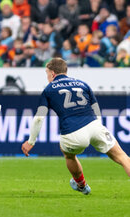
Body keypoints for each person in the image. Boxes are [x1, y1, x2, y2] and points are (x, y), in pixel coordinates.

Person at [21, 58, 130, 195]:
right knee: (124, 158)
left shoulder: (49, 89)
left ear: (53, 73)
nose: (47, 77)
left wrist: (31, 141)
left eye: (47, 73)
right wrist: (97, 129)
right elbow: (96, 109)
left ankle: (81, 185)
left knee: (69, 155)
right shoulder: (83, 84)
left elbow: (39, 118)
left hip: (73, 131)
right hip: (94, 125)